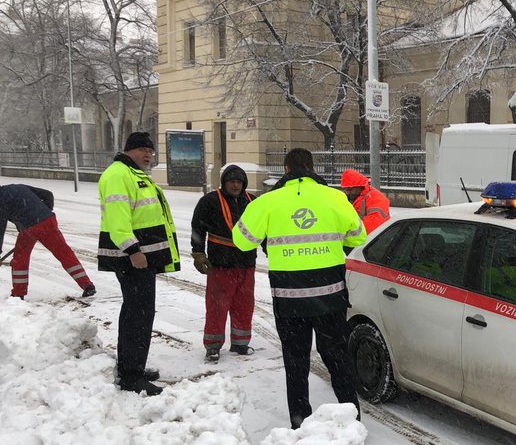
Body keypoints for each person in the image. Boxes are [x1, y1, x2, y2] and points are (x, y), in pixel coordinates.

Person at [233, 148, 366, 428]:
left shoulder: (267, 201)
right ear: (312, 167)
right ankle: (351, 417)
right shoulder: (336, 198)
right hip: (330, 296)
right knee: (337, 358)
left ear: (285, 169)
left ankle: (300, 421)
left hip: (289, 298)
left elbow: (242, 240)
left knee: (296, 362)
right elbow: (358, 235)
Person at [98, 131, 180, 396]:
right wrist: (133, 250)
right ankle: (131, 378)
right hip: (132, 259)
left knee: (140, 314)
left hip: (142, 258)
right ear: (129, 150)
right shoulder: (118, 175)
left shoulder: (135, 175)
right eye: (143, 149)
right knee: (137, 315)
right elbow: (118, 220)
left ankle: (133, 366)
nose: (148, 154)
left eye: (151, 151)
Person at [190, 165, 257, 362]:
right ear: (224, 183)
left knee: (244, 305)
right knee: (217, 306)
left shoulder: (252, 201)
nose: (235, 185)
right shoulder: (210, 201)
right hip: (221, 264)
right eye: (231, 182)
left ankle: (241, 342)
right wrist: (198, 252)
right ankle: (213, 345)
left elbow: (265, 228)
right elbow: (198, 228)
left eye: (239, 182)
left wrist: (268, 248)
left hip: (246, 263)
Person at [0, 184, 96, 300]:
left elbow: (1, 228)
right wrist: (44, 212)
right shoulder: (18, 187)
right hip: (48, 220)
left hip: (29, 228)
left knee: (20, 260)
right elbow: (47, 194)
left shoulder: (1, 200)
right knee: (64, 253)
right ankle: (88, 286)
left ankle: (18, 293)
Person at [339, 169, 391, 234]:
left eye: (349, 189)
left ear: (359, 186)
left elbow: (373, 226)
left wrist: (346, 233)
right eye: (344, 189)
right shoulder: (353, 197)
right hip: (359, 239)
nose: (347, 192)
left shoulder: (375, 199)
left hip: (374, 240)